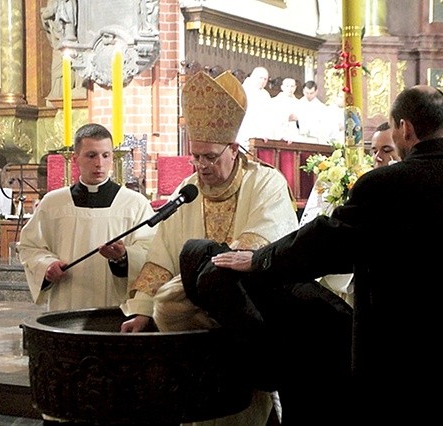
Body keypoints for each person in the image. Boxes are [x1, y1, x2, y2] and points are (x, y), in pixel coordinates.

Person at [212, 85, 443, 425]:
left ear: (405, 128)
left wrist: (259, 259)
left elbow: (326, 242)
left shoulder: (387, 185)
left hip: (417, 370)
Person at [119, 70, 300, 425]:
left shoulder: (266, 183)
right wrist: (142, 308)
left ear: (234, 149)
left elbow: (262, 246)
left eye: (211, 157)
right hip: (194, 345)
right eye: (196, 157)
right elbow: (163, 255)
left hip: (244, 326)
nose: (201, 166)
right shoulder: (187, 190)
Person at [17, 123, 155, 312]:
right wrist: (46, 265)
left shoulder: (134, 204)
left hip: (116, 309)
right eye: (91, 156)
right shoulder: (53, 203)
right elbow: (29, 246)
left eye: (105, 155)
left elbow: (152, 251)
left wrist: (124, 258)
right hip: (66, 303)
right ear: (76, 159)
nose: (99, 163)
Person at [235, 66, 273, 150]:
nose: (262, 81)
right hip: (245, 130)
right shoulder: (244, 90)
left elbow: (268, 115)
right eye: (260, 78)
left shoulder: (265, 94)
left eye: (265, 79)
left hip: (260, 134)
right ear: (253, 77)